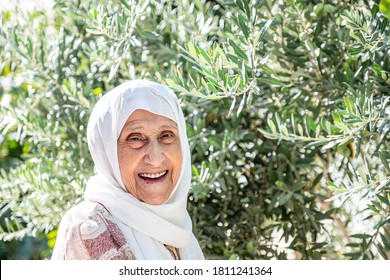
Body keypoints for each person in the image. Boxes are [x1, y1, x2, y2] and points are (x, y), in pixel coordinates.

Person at [51, 80, 204, 260]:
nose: (155, 159)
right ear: (107, 153)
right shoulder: (90, 227)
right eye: (135, 138)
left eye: (166, 136)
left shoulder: (178, 229)